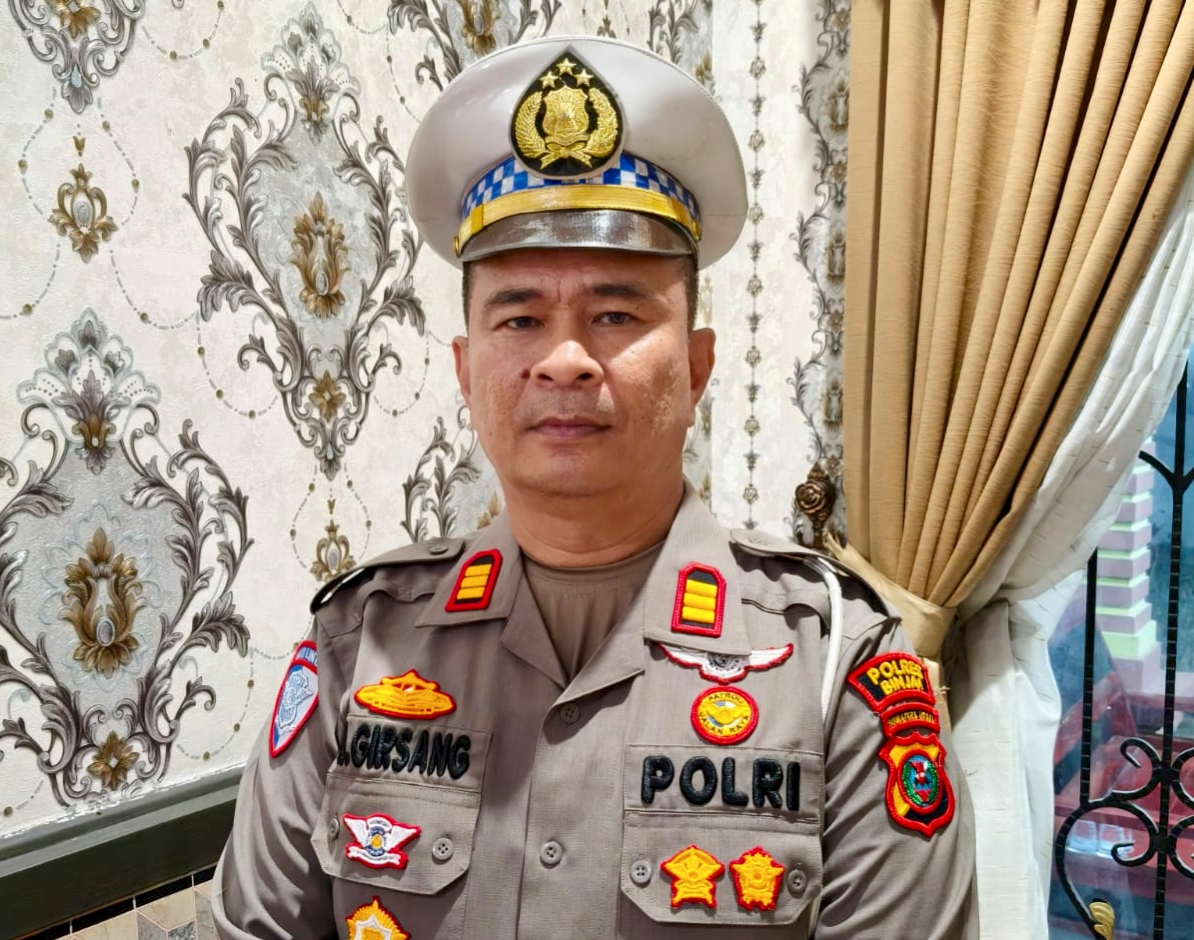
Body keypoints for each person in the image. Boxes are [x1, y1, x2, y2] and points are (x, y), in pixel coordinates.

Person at [213, 35, 977, 940]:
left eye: (615, 314)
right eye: (520, 317)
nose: (565, 359)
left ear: (696, 368)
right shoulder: (359, 644)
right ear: (465, 371)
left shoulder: (836, 664)